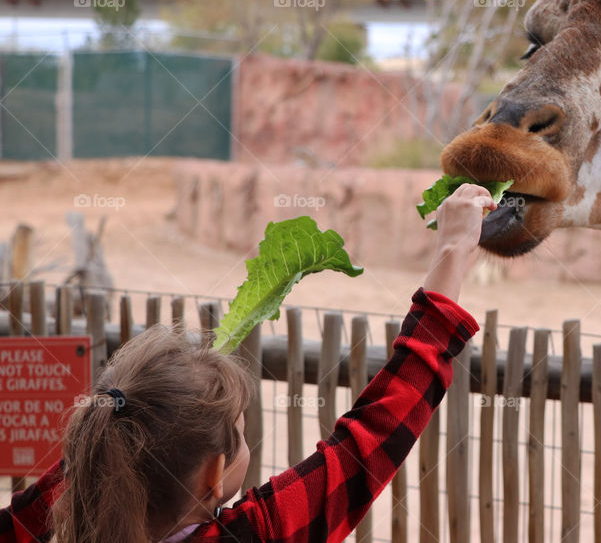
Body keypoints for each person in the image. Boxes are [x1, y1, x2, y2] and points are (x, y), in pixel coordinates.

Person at [0, 184, 497, 543]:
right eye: (239, 431)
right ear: (214, 475)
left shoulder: (38, 521)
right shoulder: (256, 534)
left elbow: (99, 454)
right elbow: (365, 445)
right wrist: (452, 252)